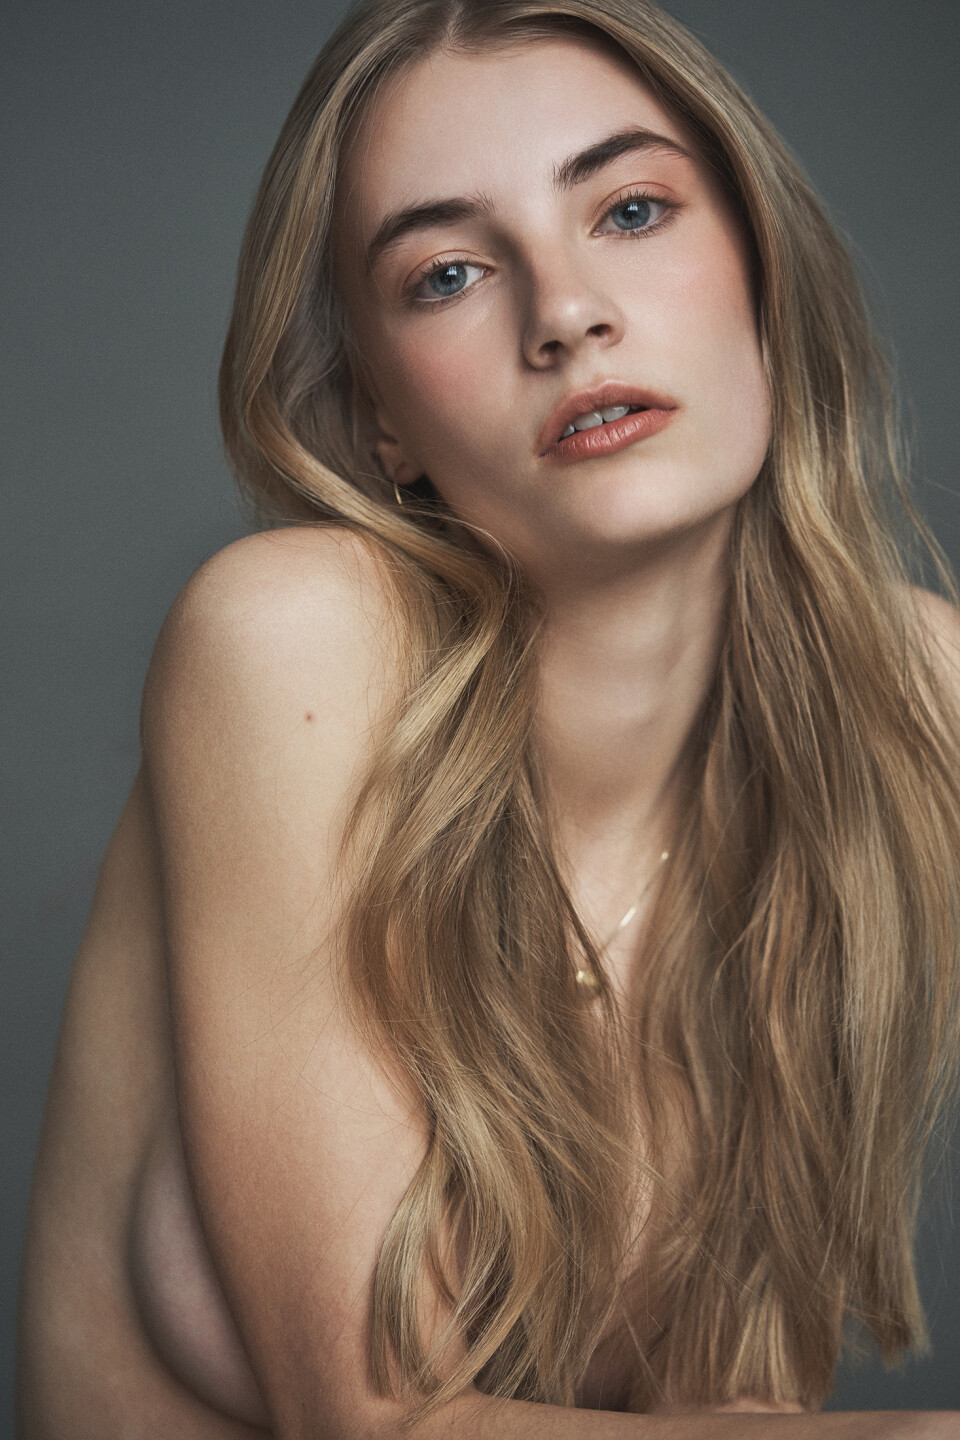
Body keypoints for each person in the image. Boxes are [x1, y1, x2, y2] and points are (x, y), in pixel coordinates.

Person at [16, 0, 960, 1435]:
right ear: (383, 420)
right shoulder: (293, 643)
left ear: (759, 274)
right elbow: (385, 1425)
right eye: (449, 273)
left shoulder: (912, 705)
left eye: (630, 209)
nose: (566, 312)